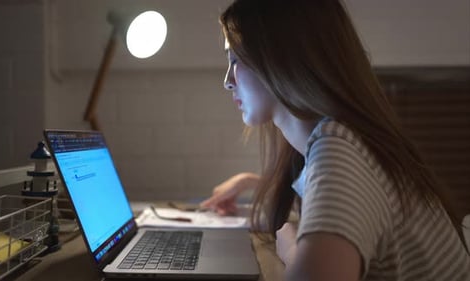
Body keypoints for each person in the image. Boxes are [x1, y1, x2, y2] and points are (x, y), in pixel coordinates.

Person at [200, 0, 470, 280]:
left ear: (281, 58)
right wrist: (255, 184)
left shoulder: (341, 149)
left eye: (235, 60)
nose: (228, 81)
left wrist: (291, 249)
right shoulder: (349, 141)